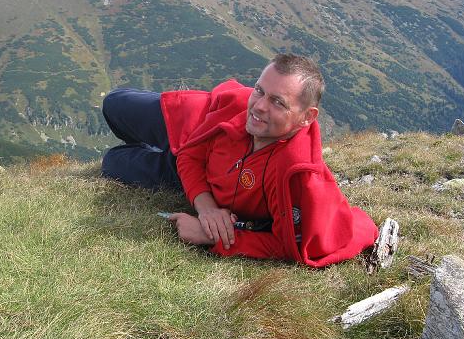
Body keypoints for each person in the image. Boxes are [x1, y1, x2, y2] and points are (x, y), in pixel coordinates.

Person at [101, 53, 378, 267]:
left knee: (112, 162)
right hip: (196, 124)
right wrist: (206, 208)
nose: (259, 106)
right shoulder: (241, 109)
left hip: (188, 176)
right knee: (114, 103)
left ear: (307, 117)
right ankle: (155, 142)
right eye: (259, 90)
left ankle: (153, 150)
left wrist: (211, 236)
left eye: (278, 102)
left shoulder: (296, 173)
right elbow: (190, 154)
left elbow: (287, 245)